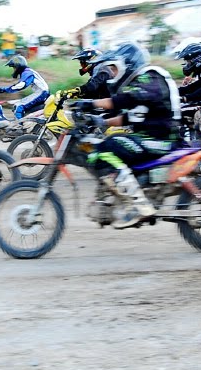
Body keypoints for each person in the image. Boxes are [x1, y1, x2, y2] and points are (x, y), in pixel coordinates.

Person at [70, 41, 181, 229]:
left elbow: (126, 100)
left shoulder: (150, 76)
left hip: (162, 141)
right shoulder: (142, 82)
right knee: (106, 144)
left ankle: (139, 206)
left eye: (114, 68)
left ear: (127, 63)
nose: (112, 74)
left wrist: (90, 103)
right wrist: (100, 121)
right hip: (151, 138)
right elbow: (130, 118)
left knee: (108, 146)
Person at [0, 53, 49, 120]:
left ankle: (19, 125)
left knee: (18, 106)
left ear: (18, 66)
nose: (14, 70)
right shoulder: (27, 71)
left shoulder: (27, 72)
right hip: (41, 93)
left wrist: (4, 89)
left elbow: (21, 85)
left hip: (42, 93)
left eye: (14, 67)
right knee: (19, 105)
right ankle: (25, 120)